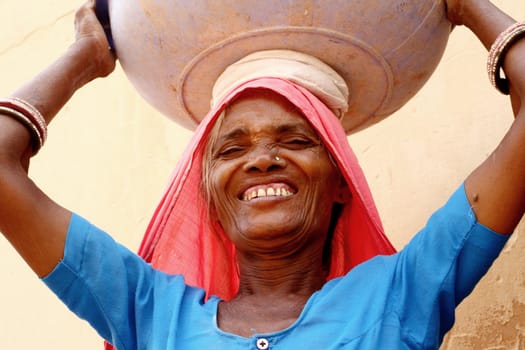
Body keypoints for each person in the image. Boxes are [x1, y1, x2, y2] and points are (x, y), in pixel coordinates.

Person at [0, 0, 523, 349]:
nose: (262, 158)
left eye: (295, 141)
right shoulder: (147, 310)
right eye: (231, 150)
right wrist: (83, 57)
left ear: (341, 179)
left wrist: (468, 7)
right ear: (206, 190)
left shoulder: (402, 293)